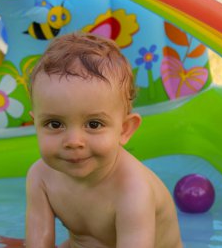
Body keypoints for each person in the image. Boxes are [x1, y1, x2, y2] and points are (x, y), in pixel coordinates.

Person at [26, 32, 182, 248]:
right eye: (54, 124)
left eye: (93, 124)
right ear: (36, 125)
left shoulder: (133, 190)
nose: (73, 141)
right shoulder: (40, 177)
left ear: (124, 130)